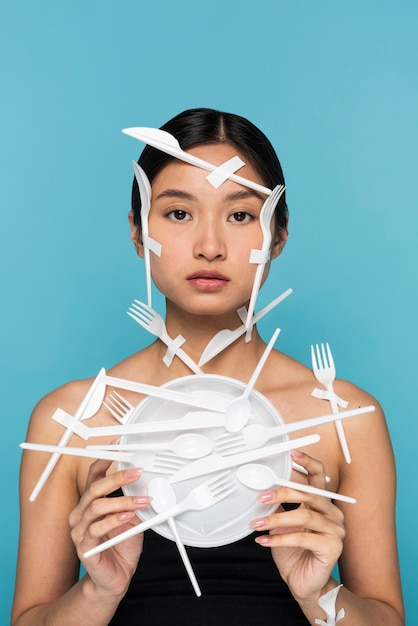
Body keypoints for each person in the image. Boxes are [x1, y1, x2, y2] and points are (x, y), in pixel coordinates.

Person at [11, 108, 404, 625]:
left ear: (279, 236)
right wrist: (96, 594)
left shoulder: (343, 416)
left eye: (240, 215)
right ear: (137, 232)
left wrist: (320, 595)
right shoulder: (73, 420)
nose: (210, 246)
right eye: (178, 213)